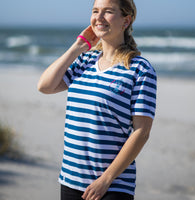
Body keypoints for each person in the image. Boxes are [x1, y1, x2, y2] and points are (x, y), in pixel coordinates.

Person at [37, 0, 157, 199]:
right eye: (95, 11)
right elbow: (45, 86)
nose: (98, 18)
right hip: (70, 179)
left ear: (126, 21)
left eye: (108, 12)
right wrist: (77, 47)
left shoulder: (140, 69)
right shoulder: (84, 61)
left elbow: (142, 132)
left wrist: (105, 180)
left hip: (112, 186)